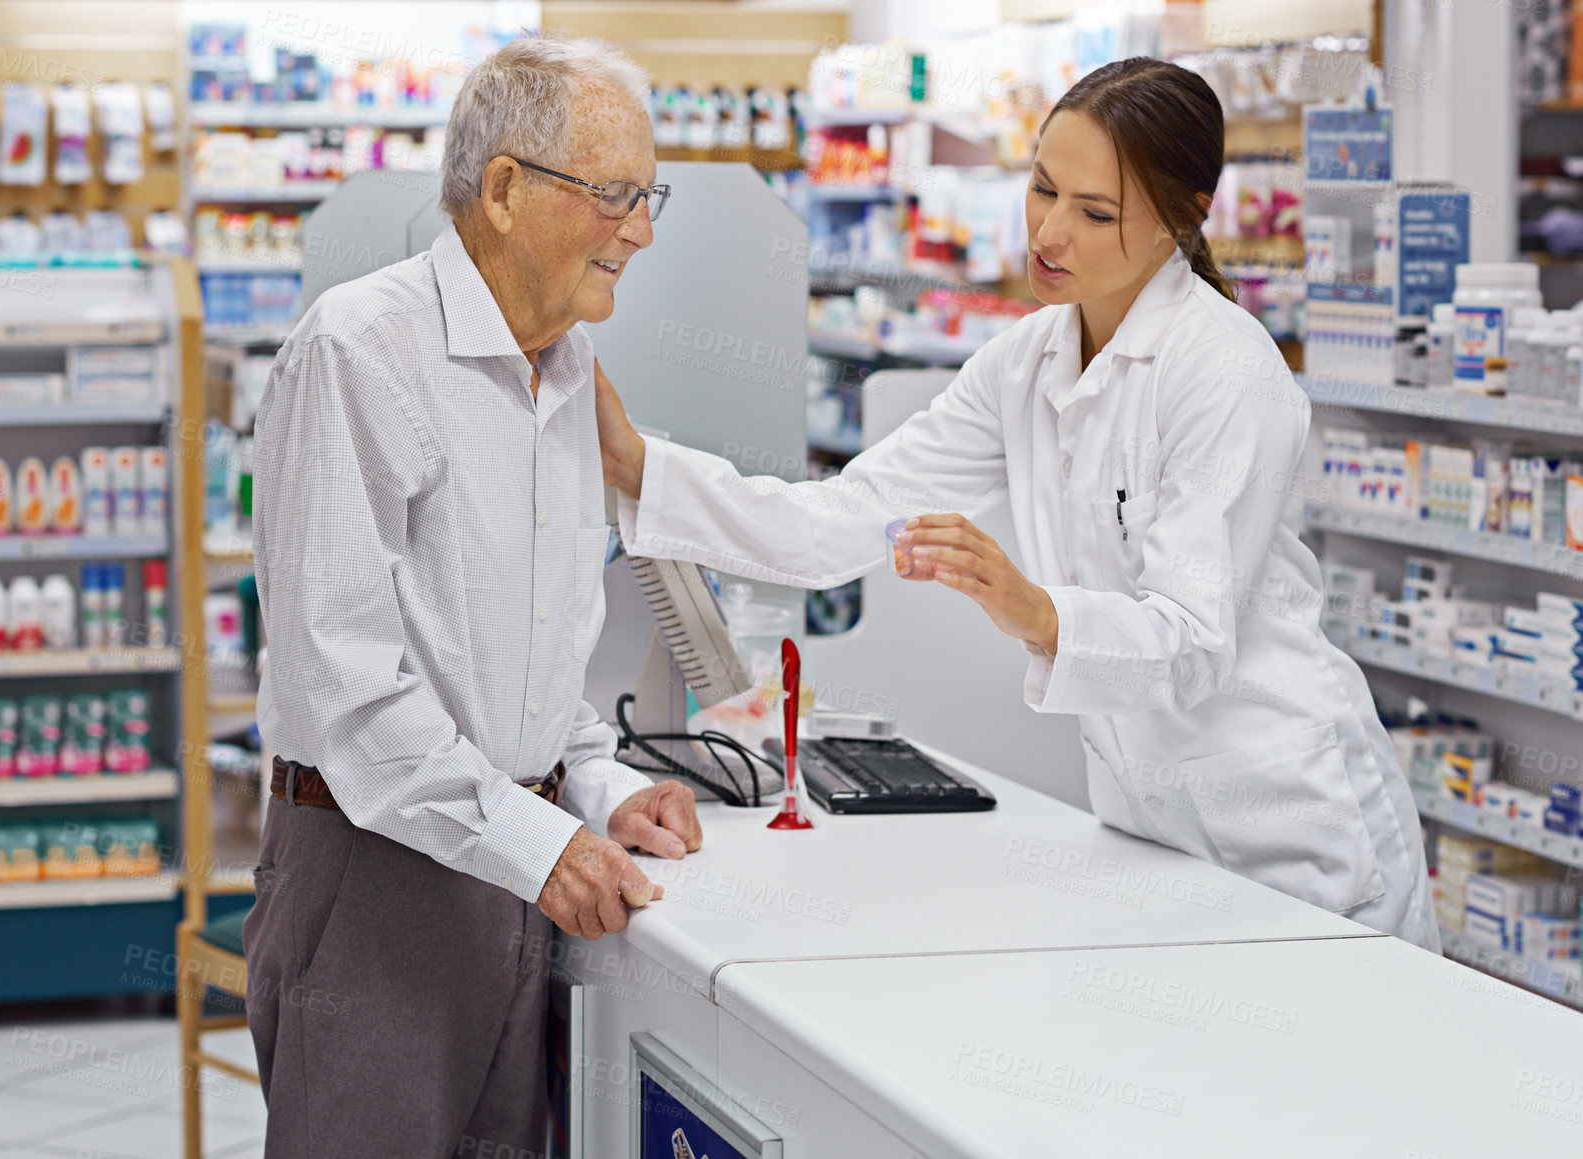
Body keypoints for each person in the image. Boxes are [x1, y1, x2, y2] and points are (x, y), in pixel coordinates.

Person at [596, 57, 1439, 951]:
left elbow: (1190, 644)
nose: (1049, 231)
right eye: (1042, 189)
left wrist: (1034, 612)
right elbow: (846, 516)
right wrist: (635, 461)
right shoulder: (1028, 358)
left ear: (1183, 219)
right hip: (1149, 828)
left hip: (1290, 835)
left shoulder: (1225, 372)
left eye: (1095, 212)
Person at [243, 35, 703, 1158]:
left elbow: (536, 657)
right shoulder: (359, 354)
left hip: (514, 867)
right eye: (615, 195)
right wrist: (533, 840)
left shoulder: (566, 370)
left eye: (651, 197)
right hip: (377, 882)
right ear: (503, 189)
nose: (641, 231)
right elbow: (341, 688)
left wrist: (600, 784)